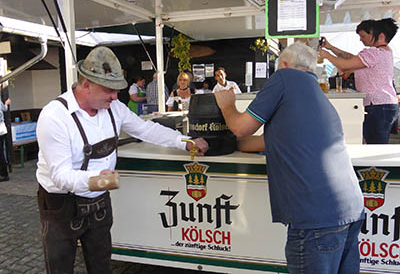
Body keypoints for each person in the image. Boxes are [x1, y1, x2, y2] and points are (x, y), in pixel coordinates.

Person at [36, 46, 208, 274]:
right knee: (60, 268)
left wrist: (184, 141)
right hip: (61, 205)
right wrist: (101, 181)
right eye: (109, 90)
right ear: (86, 84)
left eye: (117, 90)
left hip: (99, 202)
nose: (116, 96)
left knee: (101, 265)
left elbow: (145, 129)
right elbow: (61, 176)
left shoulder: (114, 108)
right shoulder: (55, 116)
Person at [214, 42, 364, 274]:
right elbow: (259, 141)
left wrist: (227, 106)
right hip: (351, 209)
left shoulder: (284, 78)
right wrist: (224, 143)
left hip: (316, 217)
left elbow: (241, 128)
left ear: (283, 65)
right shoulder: (317, 94)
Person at [319, 18, 399, 144]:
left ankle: (375, 164)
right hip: (385, 104)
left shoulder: (374, 53)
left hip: (378, 106)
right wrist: (330, 48)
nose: (360, 39)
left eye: (363, 36)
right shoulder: (383, 52)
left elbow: (346, 65)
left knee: (376, 147)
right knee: (377, 144)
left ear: (380, 35)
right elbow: (352, 58)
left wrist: (325, 54)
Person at [0, 97, 10, 182]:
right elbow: (4, 108)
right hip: (2, 129)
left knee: (0, 153)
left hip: (0, 130)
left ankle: (4, 174)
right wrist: (6, 103)